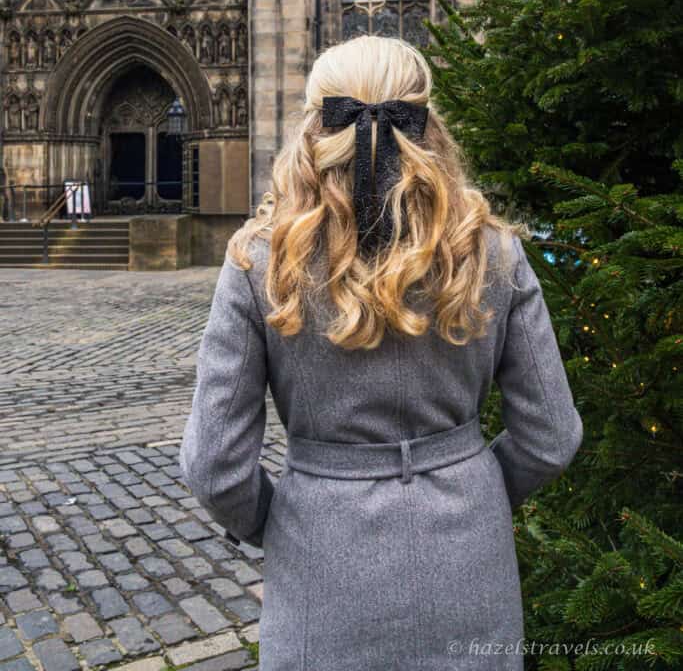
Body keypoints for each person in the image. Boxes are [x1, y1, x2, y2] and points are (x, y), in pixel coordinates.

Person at [179, 34, 583, 671]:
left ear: (316, 123)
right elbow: (552, 435)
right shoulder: (494, 252)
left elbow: (212, 466)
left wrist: (281, 522)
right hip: (467, 562)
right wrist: (467, 483)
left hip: (320, 559)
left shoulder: (257, 259)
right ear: (428, 125)